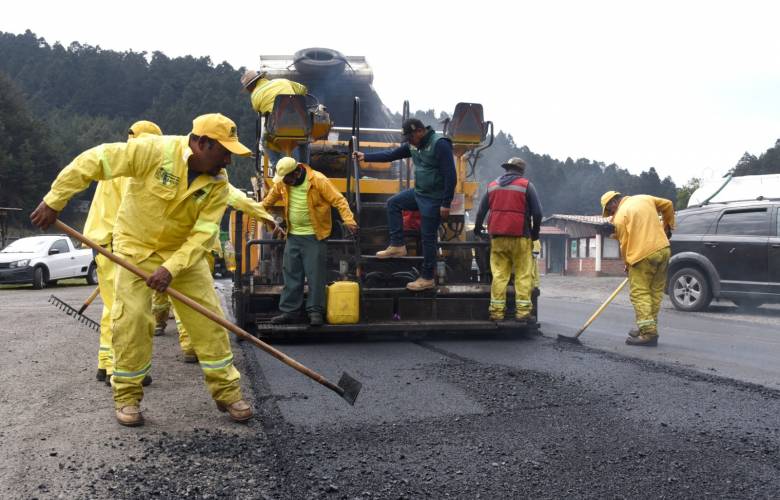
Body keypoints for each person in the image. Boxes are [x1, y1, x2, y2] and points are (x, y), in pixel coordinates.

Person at [31, 113, 255, 427]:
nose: (229, 160)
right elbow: (96, 159)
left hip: (182, 256)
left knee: (209, 319)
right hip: (135, 248)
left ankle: (228, 392)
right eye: (225, 151)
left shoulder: (218, 184)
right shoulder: (154, 151)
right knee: (132, 318)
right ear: (202, 144)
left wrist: (171, 268)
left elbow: (203, 235)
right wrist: (55, 199)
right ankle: (127, 397)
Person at [158, 185, 278, 363]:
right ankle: (189, 344)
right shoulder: (206, 179)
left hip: (184, 247)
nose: (226, 161)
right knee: (190, 299)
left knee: (184, 300)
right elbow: (239, 199)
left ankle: (186, 342)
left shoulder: (208, 179)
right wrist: (266, 217)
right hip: (192, 248)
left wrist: (267, 217)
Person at [85, 120, 161, 387]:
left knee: (112, 307)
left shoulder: (118, 161)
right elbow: (132, 213)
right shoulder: (133, 169)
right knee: (126, 311)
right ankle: (124, 368)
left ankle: (105, 364)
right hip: (117, 246)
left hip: (101, 243)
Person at [353, 118, 456, 292]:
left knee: (428, 237)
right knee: (393, 203)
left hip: (434, 198)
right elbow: (392, 155)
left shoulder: (440, 144)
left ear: (420, 132)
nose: (409, 141)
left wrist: (446, 204)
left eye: (410, 137)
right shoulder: (413, 145)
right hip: (419, 193)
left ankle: (428, 278)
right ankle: (398, 245)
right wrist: (366, 156)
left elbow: (451, 176)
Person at [261, 157, 357, 326]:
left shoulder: (318, 180)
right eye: (283, 180)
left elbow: (339, 200)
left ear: (297, 172)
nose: (285, 183)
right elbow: (266, 203)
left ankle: (315, 312)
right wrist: (263, 218)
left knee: (315, 275)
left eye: (288, 179)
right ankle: (289, 312)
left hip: (315, 236)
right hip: (293, 237)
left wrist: (349, 220)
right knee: (291, 274)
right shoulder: (283, 184)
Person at [600, 190, 675, 346]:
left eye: (610, 210)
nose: (611, 213)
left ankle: (648, 333)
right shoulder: (644, 198)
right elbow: (668, 205)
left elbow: (625, 245)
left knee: (640, 293)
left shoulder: (620, 218)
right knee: (654, 292)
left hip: (643, 256)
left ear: (613, 203)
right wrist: (667, 227)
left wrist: (627, 264)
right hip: (664, 249)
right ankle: (648, 327)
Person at [473, 157, 542, 321]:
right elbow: (538, 213)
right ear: (521, 171)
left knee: (499, 275)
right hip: (520, 237)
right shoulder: (526, 186)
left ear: (507, 169)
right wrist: (535, 235)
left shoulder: (492, 186)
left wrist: (477, 230)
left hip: (497, 238)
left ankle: (496, 313)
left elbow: (481, 212)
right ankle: (523, 313)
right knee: (522, 275)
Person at [241, 69, 309, 165]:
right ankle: (306, 166)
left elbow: (259, 111)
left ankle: (276, 167)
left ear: (250, 86)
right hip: (300, 125)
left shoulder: (255, 95)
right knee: (305, 139)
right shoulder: (282, 81)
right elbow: (303, 89)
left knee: (264, 141)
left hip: (277, 128)